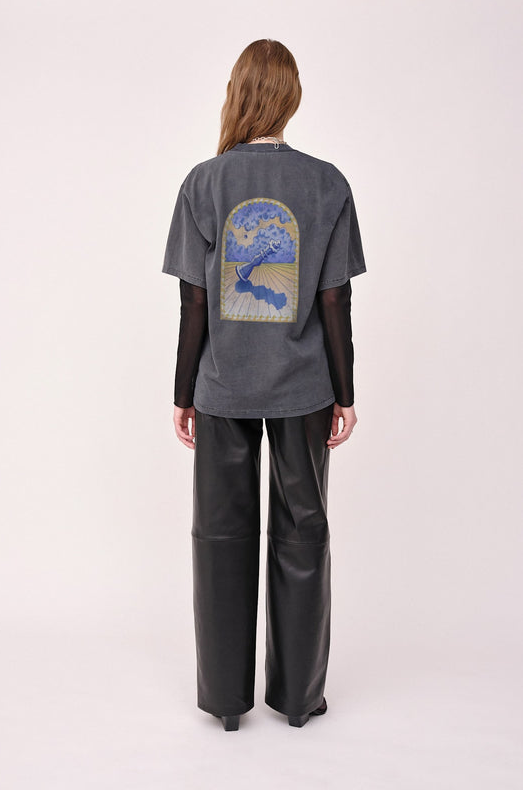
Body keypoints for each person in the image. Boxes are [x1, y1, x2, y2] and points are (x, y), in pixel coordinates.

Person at [161, 39, 367, 731]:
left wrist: (183, 394)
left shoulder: (203, 183)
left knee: (220, 537)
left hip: (222, 387)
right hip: (304, 388)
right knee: (302, 532)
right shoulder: (326, 184)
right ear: (291, 97)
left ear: (238, 94)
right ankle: (299, 700)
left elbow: (193, 304)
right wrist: (345, 393)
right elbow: (334, 301)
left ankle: (225, 703)